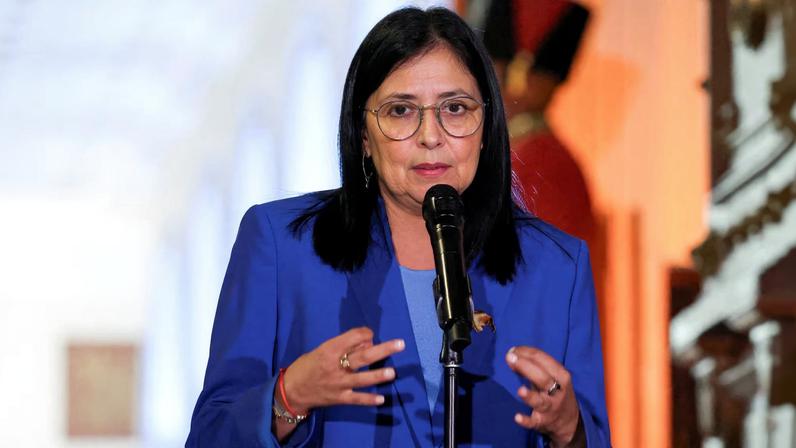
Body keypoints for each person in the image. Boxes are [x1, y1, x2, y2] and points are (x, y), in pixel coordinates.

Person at [186, 6, 610, 447]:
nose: (431, 134)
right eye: (401, 111)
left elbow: (591, 437)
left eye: (456, 108)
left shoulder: (557, 266)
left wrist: (570, 430)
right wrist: (289, 396)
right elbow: (210, 437)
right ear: (363, 136)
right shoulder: (279, 245)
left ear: (486, 126)